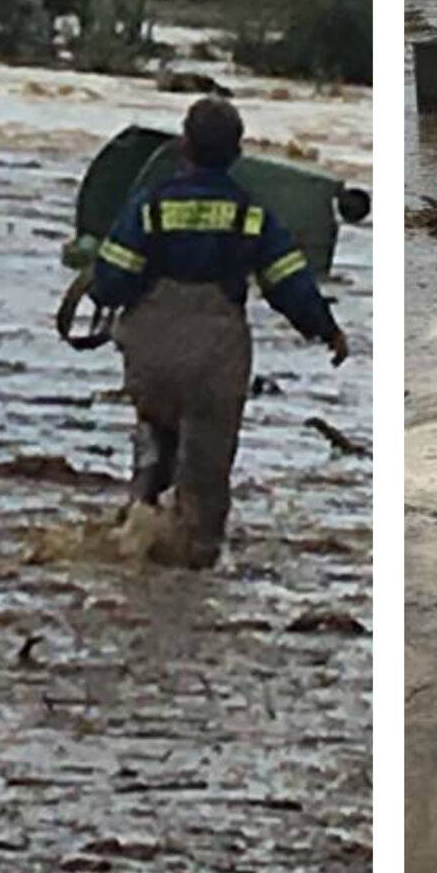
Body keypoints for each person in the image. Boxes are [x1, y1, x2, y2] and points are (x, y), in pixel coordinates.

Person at [88, 97, 349, 568]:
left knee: (154, 436)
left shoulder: (149, 208)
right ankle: (196, 568)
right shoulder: (251, 215)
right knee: (206, 472)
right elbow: (288, 283)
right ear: (236, 153)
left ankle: (138, 527)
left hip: (153, 353)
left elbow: (109, 282)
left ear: (183, 146)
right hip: (215, 358)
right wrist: (327, 330)